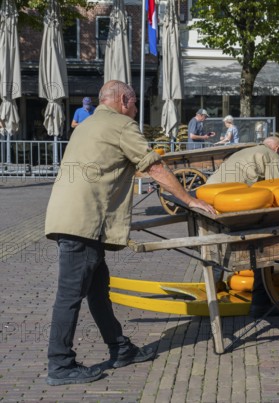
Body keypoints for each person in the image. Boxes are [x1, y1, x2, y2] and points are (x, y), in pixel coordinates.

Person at [44, 80, 216, 386]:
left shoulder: (86, 125)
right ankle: (60, 364)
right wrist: (190, 199)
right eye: (135, 104)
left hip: (72, 218)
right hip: (84, 221)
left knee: (97, 290)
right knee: (69, 295)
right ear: (126, 100)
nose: (135, 111)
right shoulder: (121, 124)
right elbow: (154, 167)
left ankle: (120, 348)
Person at [204, 137, 279, 317]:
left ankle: (212, 287)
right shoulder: (272, 155)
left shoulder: (248, 150)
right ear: (278, 148)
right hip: (228, 199)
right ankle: (261, 303)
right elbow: (276, 189)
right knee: (263, 245)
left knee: (217, 242)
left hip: (208, 195)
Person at [206, 136, 279, 185]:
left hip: (208, 187)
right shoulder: (273, 155)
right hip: (229, 193)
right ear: (278, 149)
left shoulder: (244, 151)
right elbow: (274, 185)